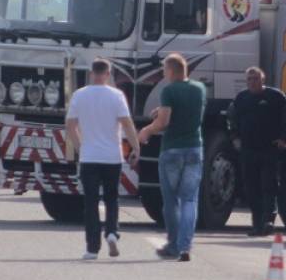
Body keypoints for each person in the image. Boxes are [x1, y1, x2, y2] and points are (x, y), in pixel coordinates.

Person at [65, 59, 140, 260]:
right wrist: (135, 146)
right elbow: (127, 123)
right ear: (108, 74)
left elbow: (70, 125)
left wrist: (80, 147)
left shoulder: (79, 95)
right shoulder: (117, 95)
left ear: (91, 73)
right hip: (112, 157)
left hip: (89, 156)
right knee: (111, 198)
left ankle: (92, 248)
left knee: (90, 202)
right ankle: (112, 233)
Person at [138, 53, 205, 262]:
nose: (163, 74)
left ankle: (173, 245)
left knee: (171, 201)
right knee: (189, 200)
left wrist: (146, 130)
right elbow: (188, 111)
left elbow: (164, 122)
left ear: (171, 70)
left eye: (164, 70)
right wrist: (162, 111)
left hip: (172, 150)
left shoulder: (169, 90)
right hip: (194, 149)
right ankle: (185, 246)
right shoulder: (199, 88)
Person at [228, 67, 286, 237]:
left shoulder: (275, 96)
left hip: (269, 149)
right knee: (251, 188)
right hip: (248, 150)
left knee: (269, 186)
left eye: (256, 79)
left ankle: (268, 221)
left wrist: (285, 138)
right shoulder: (241, 98)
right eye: (249, 79)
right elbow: (231, 119)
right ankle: (257, 225)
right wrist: (235, 138)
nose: (252, 82)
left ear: (263, 80)